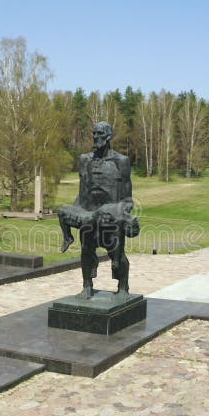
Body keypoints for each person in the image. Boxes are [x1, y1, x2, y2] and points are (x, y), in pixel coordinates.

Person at [57, 122, 140, 300]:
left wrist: (119, 214)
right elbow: (81, 193)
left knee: (117, 256)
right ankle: (87, 286)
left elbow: (127, 199)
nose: (96, 137)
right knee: (86, 251)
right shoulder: (85, 160)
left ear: (109, 136)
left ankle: (123, 287)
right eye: (94, 133)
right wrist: (75, 213)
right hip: (88, 215)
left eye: (100, 134)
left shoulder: (121, 161)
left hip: (110, 218)